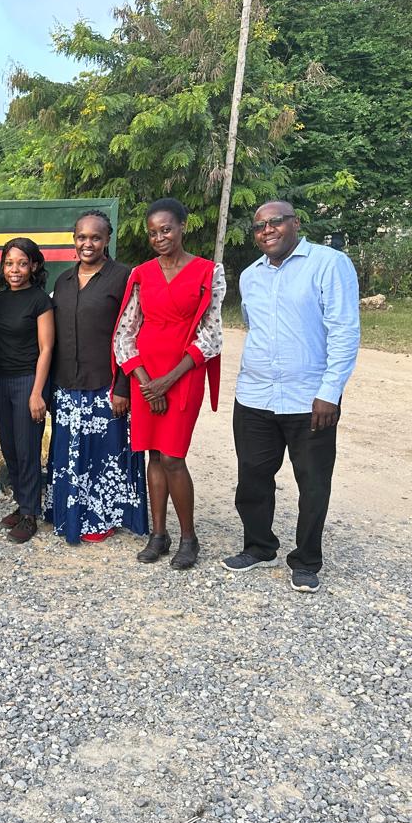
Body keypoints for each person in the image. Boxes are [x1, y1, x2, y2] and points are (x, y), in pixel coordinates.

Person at [221, 200, 361, 593]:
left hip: (309, 400)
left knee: (313, 483)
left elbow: (345, 331)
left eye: (275, 222)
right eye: (258, 226)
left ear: (295, 224)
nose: (266, 230)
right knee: (252, 478)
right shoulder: (250, 275)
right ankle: (259, 546)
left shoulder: (328, 264)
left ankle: (307, 559)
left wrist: (330, 393)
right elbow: (254, 327)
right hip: (255, 396)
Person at [113, 198, 225, 569]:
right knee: (151, 455)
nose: (159, 237)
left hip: (183, 374)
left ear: (182, 226)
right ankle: (158, 535)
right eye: (153, 232)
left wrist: (167, 381)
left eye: (166, 229)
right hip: (147, 375)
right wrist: (146, 383)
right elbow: (125, 334)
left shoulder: (209, 272)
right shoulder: (142, 274)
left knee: (173, 457)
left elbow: (211, 336)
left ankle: (189, 538)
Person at [45, 209, 148, 543]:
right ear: (74, 240)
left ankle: (102, 518)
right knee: (69, 452)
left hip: (107, 384)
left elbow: (134, 333)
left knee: (105, 455)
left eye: (95, 237)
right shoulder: (63, 280)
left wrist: (123, 386)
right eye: (81, 237)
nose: (87, 244)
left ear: (107, 239)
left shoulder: (124, 277)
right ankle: (67, 512)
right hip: (67, 384)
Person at [0, 237, 54, 544]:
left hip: (28, 380)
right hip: (1, 381)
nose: (15, 269)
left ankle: (30, 514)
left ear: (34, 266)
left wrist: (37, 392)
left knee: (28, 449)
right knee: (10, 448)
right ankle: (21, 502)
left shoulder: (40, 300)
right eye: (9, 263)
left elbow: (46, 347)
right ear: (3, 267)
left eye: (22, 263)